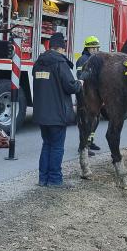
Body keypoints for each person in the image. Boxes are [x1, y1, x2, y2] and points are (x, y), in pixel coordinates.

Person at [33, 32, 83, 187]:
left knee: (46, 144)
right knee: (56, 147)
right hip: (57, 114)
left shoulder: (38, 63)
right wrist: (80, 83)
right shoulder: (60, 63)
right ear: (61, 48)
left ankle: (43, 179)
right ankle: (55, 180)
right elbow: (70, 86)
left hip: (42, 114)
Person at [76, 36, 101, 155]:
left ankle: (90, 142)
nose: (96, 50)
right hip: (85, 94)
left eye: (97, 48)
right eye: (94, 48)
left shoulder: (93, 59)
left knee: (96, 119)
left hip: (94, 94)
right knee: (86, 120)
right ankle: (83, 146)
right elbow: (81, 76)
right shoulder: (83, 59)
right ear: (88, 48)